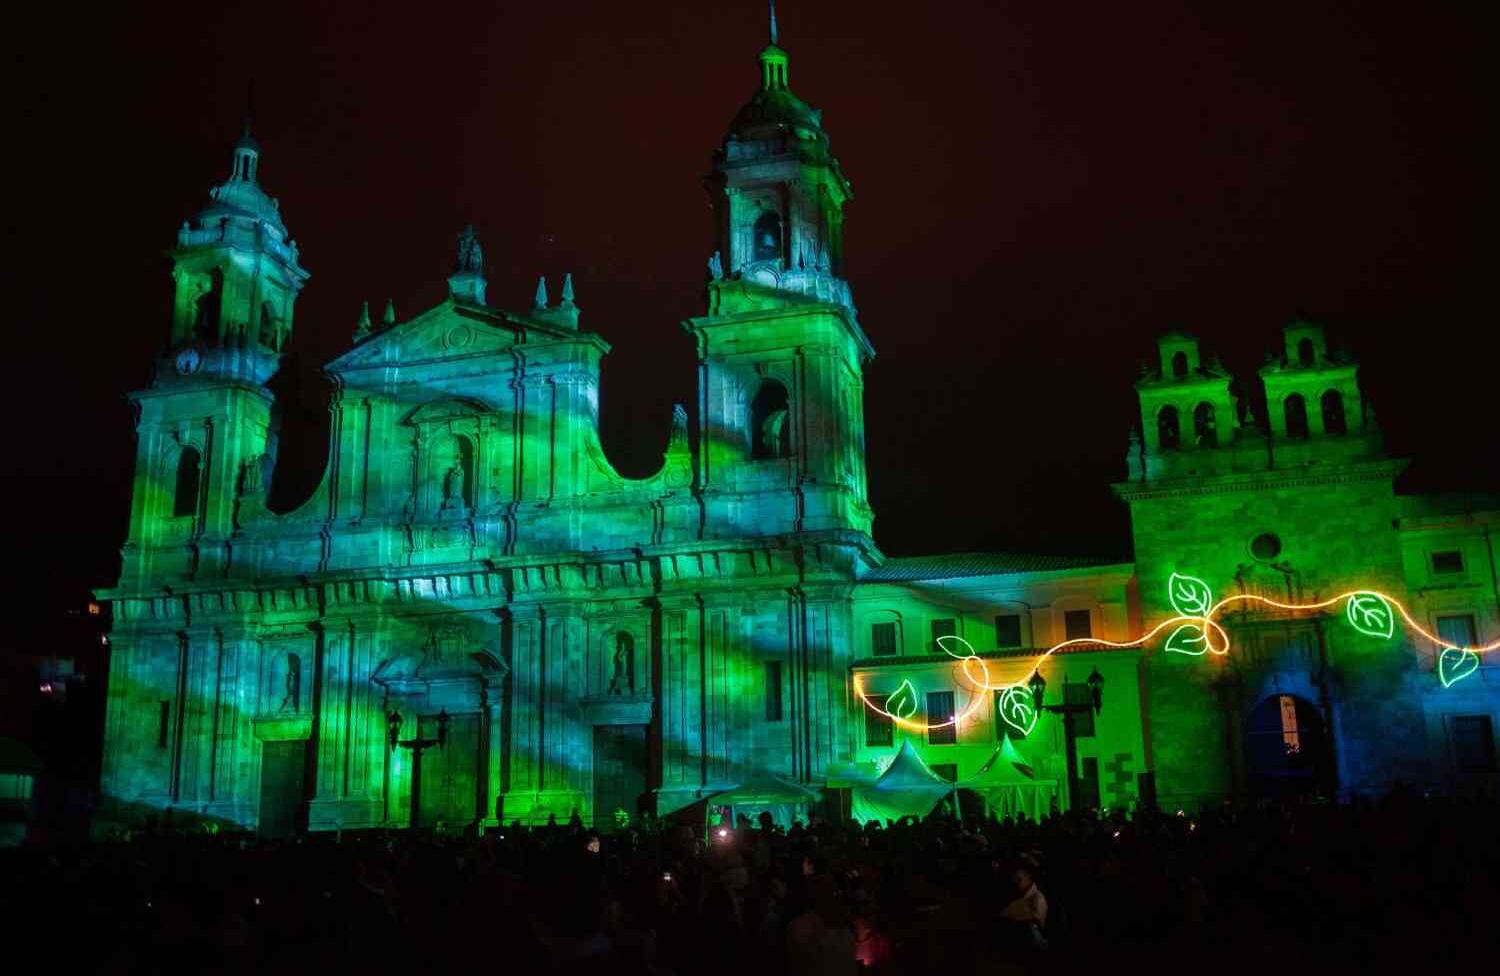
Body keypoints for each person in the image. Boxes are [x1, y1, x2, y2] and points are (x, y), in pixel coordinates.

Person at [1000, 856, 1049, 950]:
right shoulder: (1016, 897)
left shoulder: (1037, 898)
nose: (1015, 881)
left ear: (1029, 876)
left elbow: (1036, 923)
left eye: (1018, 879)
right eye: (1014, 878)